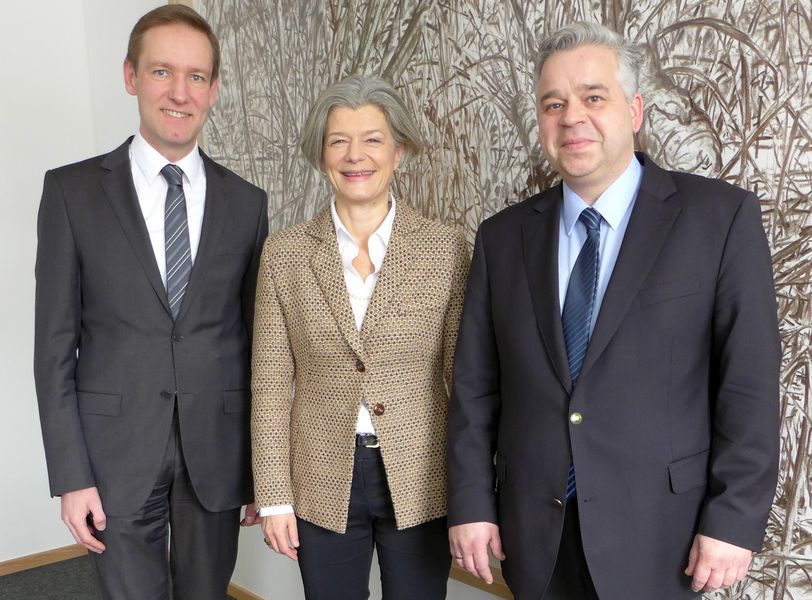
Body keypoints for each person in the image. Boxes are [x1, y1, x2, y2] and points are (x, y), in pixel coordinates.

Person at [446, 21, 780, 600]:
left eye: (593, 97)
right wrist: (472, 504)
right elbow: (475, 387)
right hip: (535, 536)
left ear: (635, 110)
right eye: (554, 104)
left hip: (663, 537)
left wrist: (733, 520)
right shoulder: (502, 239)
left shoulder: (719, 219)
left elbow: (749, 384)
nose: (572, 117)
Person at [33, 5, 268, 599]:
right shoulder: (71, 192)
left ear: (213, 90)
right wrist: (70, 475)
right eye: (163, 72)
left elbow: (257, 344)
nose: (179, 93)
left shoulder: (247, 204)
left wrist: (261, 469)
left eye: (196, 77)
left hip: (216, 455)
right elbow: (54, 347)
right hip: (114, 454)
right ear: (131, 76)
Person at [251, 75, 469, 599]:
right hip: (322, 472)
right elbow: (271, 385)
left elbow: (465, 383)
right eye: (338, 140)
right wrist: (275, 496)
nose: (356, 156)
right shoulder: (284, 254)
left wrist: (475, 492)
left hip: (422, 473)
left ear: (399, 150)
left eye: (372, 139)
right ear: (321, 155)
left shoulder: (448, 249)